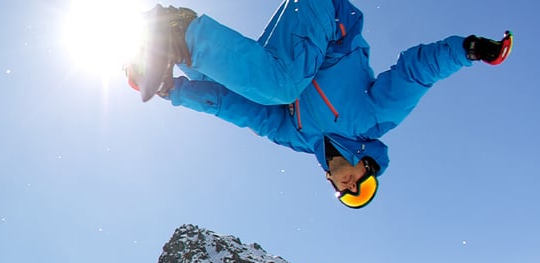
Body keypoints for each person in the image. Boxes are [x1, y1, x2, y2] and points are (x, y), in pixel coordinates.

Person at [125, 1, 512, 208]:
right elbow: (416, 72)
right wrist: (469, 50)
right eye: (362, 187)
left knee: (248, 91)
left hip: (290, 48)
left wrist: (174, 92)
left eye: (346, 196)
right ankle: (180, 28)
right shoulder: (374, 120)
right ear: (368, 166)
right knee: (281, 88)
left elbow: (238, 111)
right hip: (328, 24)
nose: (349, 188)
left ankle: (172, 57)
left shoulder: (298, 138)